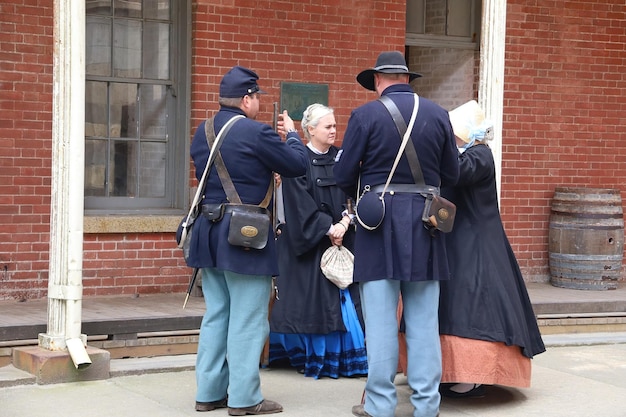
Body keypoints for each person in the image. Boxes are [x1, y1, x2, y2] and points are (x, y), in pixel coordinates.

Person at [333, 51, 460, 417]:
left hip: (379, 223)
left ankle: (381, 406)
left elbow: (342, 177)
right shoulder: (438, 114)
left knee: (380, 322)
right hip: (427, 224)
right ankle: (426, 407)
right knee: (423, 321)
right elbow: (451, 174)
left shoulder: (365, 115)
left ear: (377, 80)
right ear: (408, 79)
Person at [188, 65, 308, 415]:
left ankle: (208, 392)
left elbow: (205, 176)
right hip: (244, 236)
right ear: (246, 99)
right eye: (256, 97)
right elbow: (296, 165)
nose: (258, 103)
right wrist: (294, 136)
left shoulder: (203, 130)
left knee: (216, 316)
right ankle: (244, 398)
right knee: (248, 319)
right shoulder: (257, 132)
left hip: (208, 235)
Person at [438, 100, 546, 397]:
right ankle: (454, 370)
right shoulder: (466, 155)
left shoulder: (480, 155)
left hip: (478, 245)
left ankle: (474, 375)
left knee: (475, 305)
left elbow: (456, 174)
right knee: (457, 304)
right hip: (460, 242)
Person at [268, 103, 368, 379]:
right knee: (314, 304)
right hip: (312, 244)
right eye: (328, 126)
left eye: (335, 125)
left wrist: (346, 222)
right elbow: (299, 204)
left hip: (343, 241)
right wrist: (328, 228)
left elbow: (356, 193)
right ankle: (313, 356)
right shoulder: (298, 163)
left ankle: (349, 358)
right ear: (310, 130)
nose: (334, 130)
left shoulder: (343, 159)